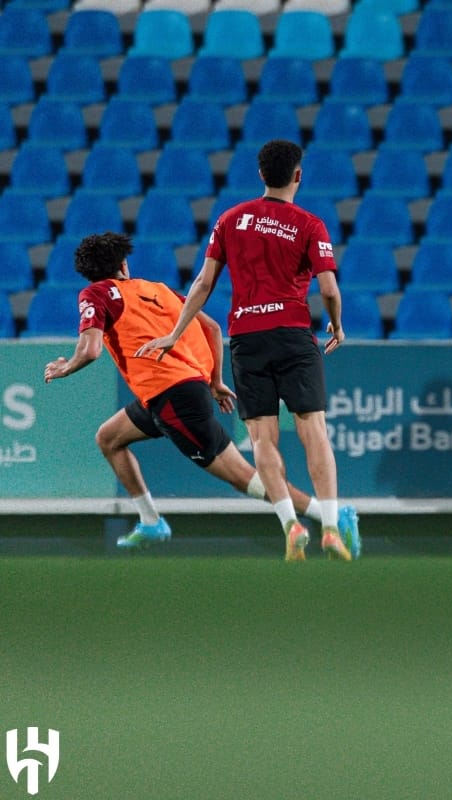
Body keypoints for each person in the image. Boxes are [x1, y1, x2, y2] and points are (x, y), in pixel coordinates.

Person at [43, 232, 335, 553]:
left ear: (87, 272)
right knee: (109, 438)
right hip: (176, 392)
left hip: (171, 398)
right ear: (123, 264)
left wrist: (65, 367)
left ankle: (325, 514)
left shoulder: (94, 294)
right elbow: (212, 328)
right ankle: (151, 521)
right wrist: (214, 381)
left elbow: (91, 349)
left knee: (241, 476)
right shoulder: (157, 289)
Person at [137, 139, 356, 562]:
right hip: (293, 335)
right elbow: (328, 288)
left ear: (261, 175)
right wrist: (338, 324)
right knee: (313, 431)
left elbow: (202, 284)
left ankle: (290, 524)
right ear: (298, 175)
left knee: (262, 439)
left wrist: (175, 333)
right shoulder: (310, 224)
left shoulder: (230, 219)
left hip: (247, 339)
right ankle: (330, 527)